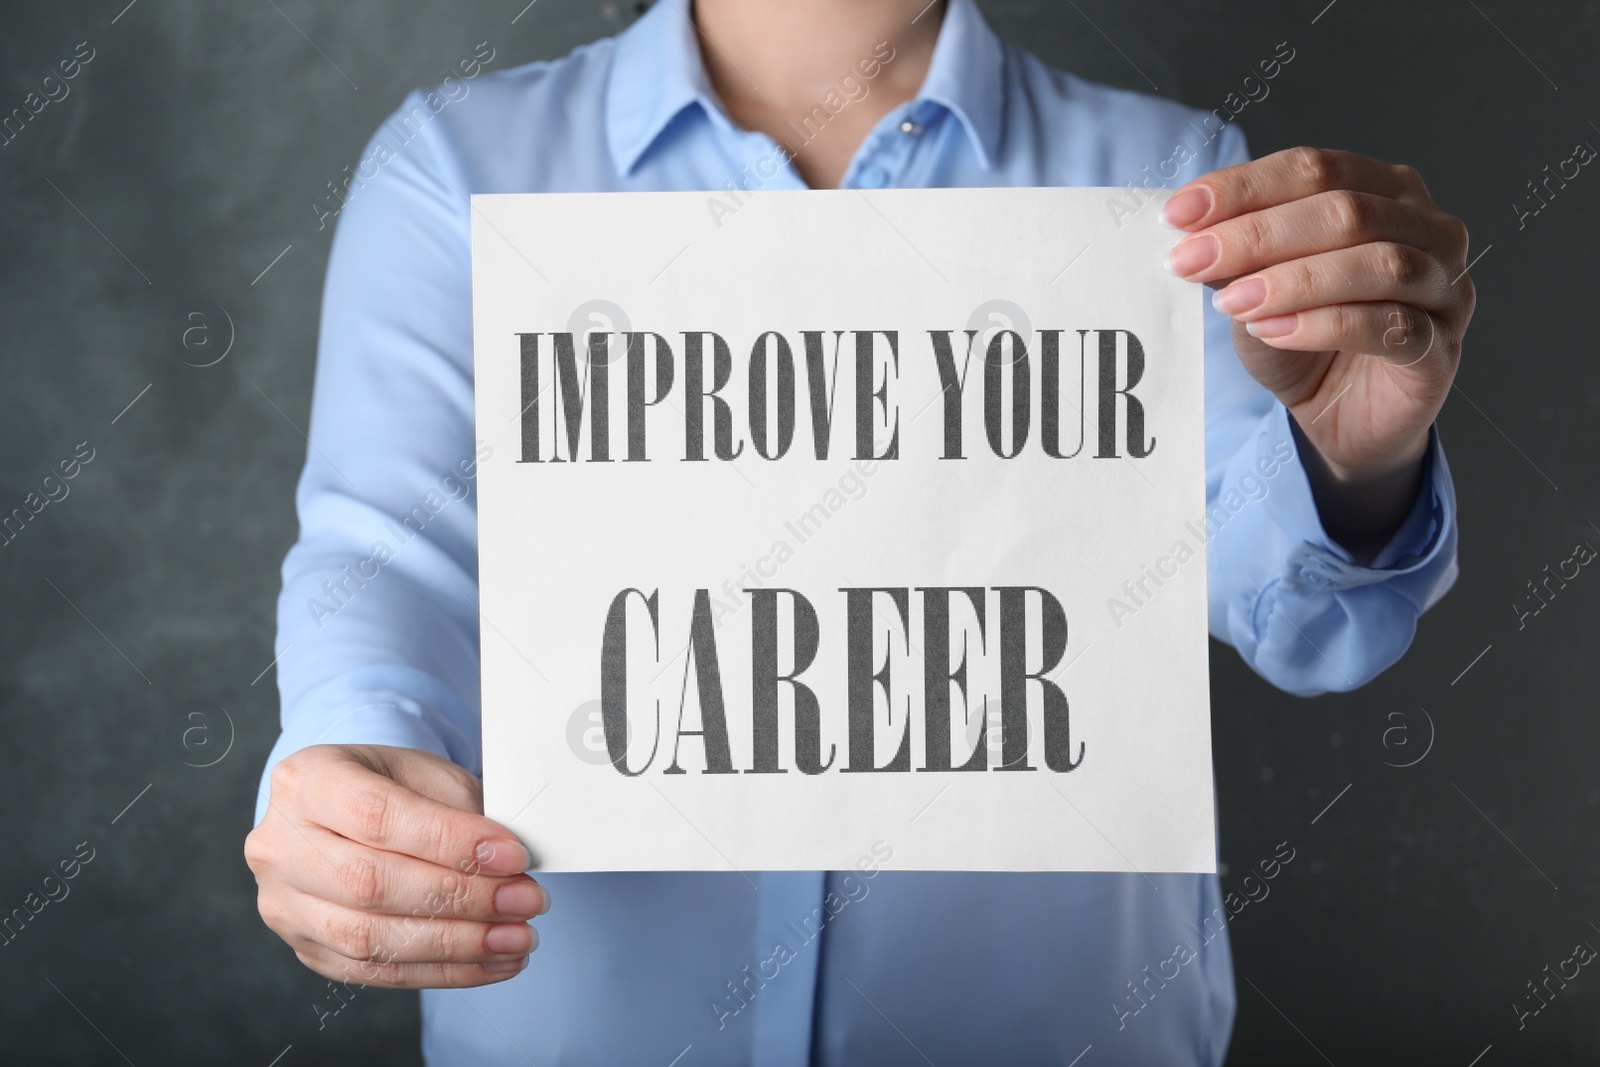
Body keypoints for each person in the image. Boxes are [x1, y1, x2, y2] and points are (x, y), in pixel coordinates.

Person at [243, 0, 1471, 1062]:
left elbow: (1304, 618)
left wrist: (1349, 451)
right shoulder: (456, 166)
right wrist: (354, 754)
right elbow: (389, 554)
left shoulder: (1170, 182)